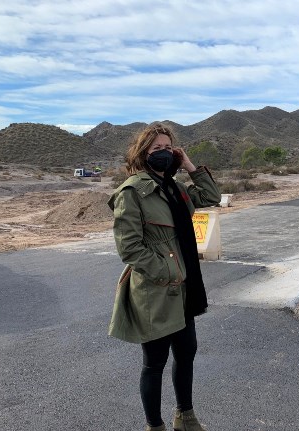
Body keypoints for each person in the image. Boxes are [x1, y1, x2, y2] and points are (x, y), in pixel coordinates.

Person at [107, 122, 221, 431]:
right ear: (143, 153)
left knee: (186, 354)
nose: (164, 153)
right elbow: (129, 248)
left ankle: (185, 417)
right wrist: (169, 271)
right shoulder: (132, 192)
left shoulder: (176, 187)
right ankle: (154, 426)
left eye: (168, 148)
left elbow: (211, 196)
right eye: (157, 149)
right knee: (154, 363)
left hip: (185, 288)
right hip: (156, 291)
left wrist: (188, 165)